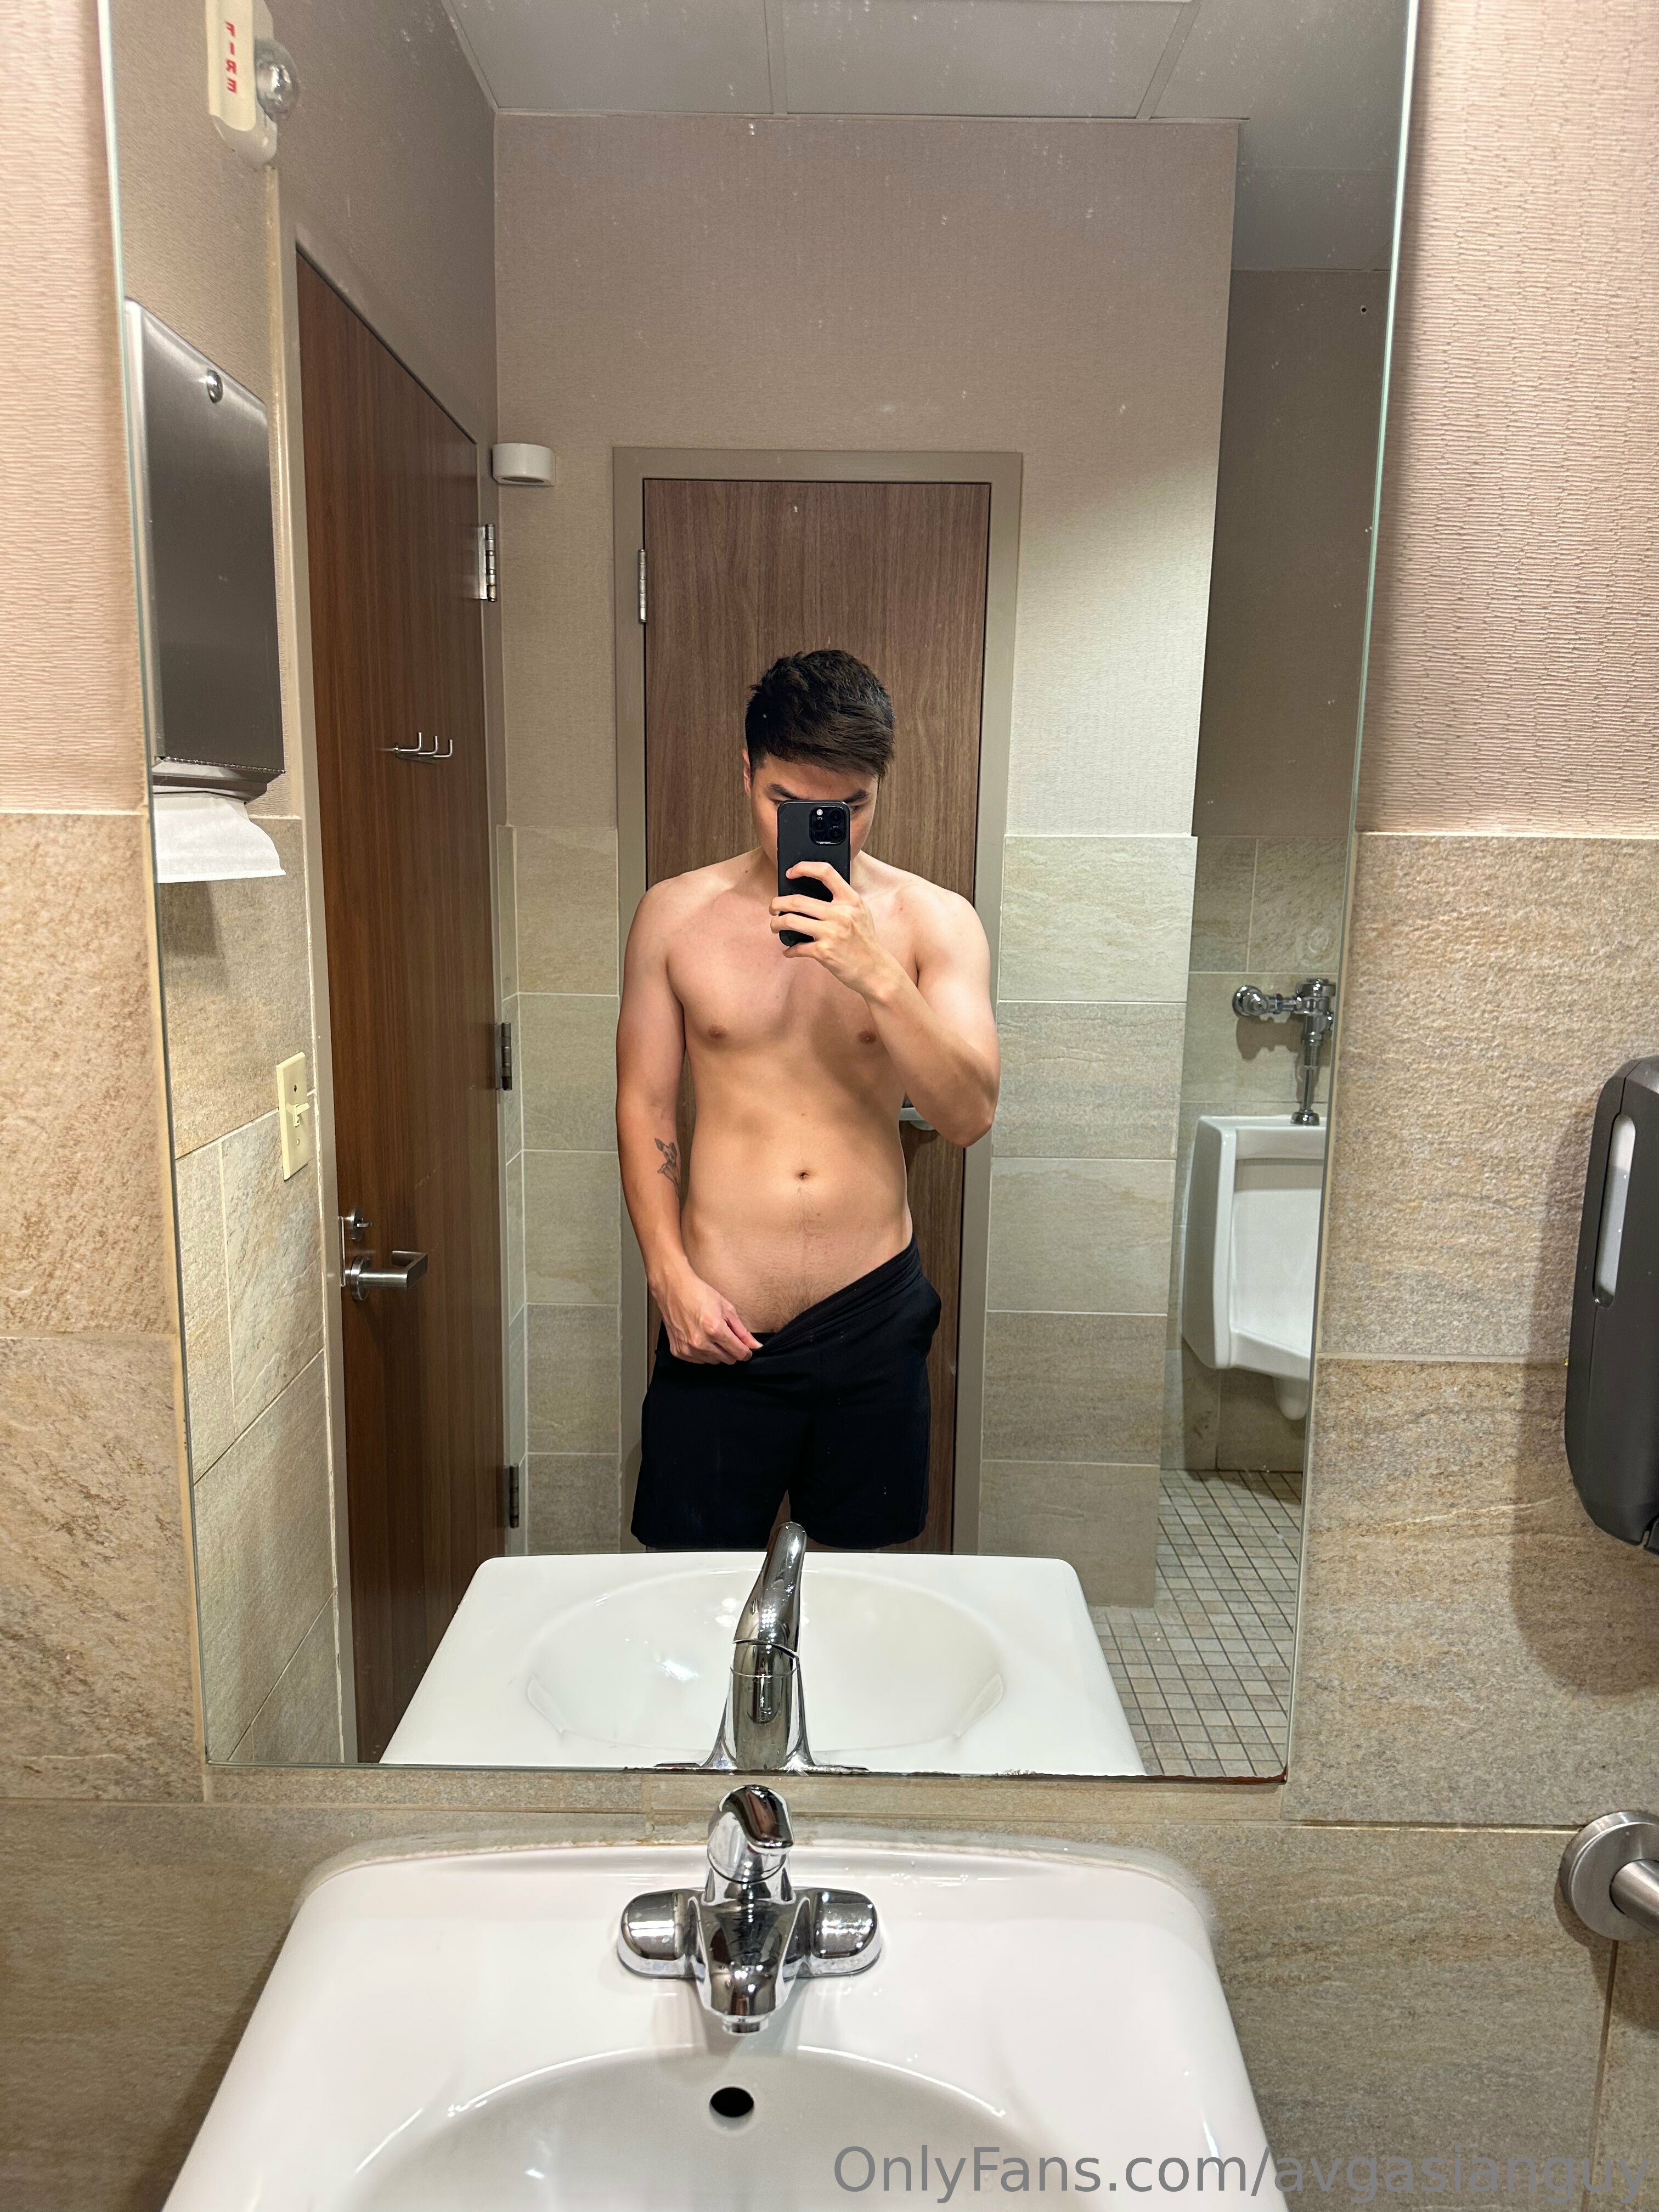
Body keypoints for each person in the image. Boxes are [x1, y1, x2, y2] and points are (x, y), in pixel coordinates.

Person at [617, 647, 1000, 1549]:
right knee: (692, 1594)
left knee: (863, 1595)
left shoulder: (935, 921)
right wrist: (669, 1277)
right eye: (787, 803)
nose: (822, 829)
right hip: (715, 1318)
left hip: (871, 1317)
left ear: (879, 790)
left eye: (849, 808)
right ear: (745, 772)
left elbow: (968, 1117)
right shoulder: (674, 916)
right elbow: (645, 1106)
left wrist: (878, 977)